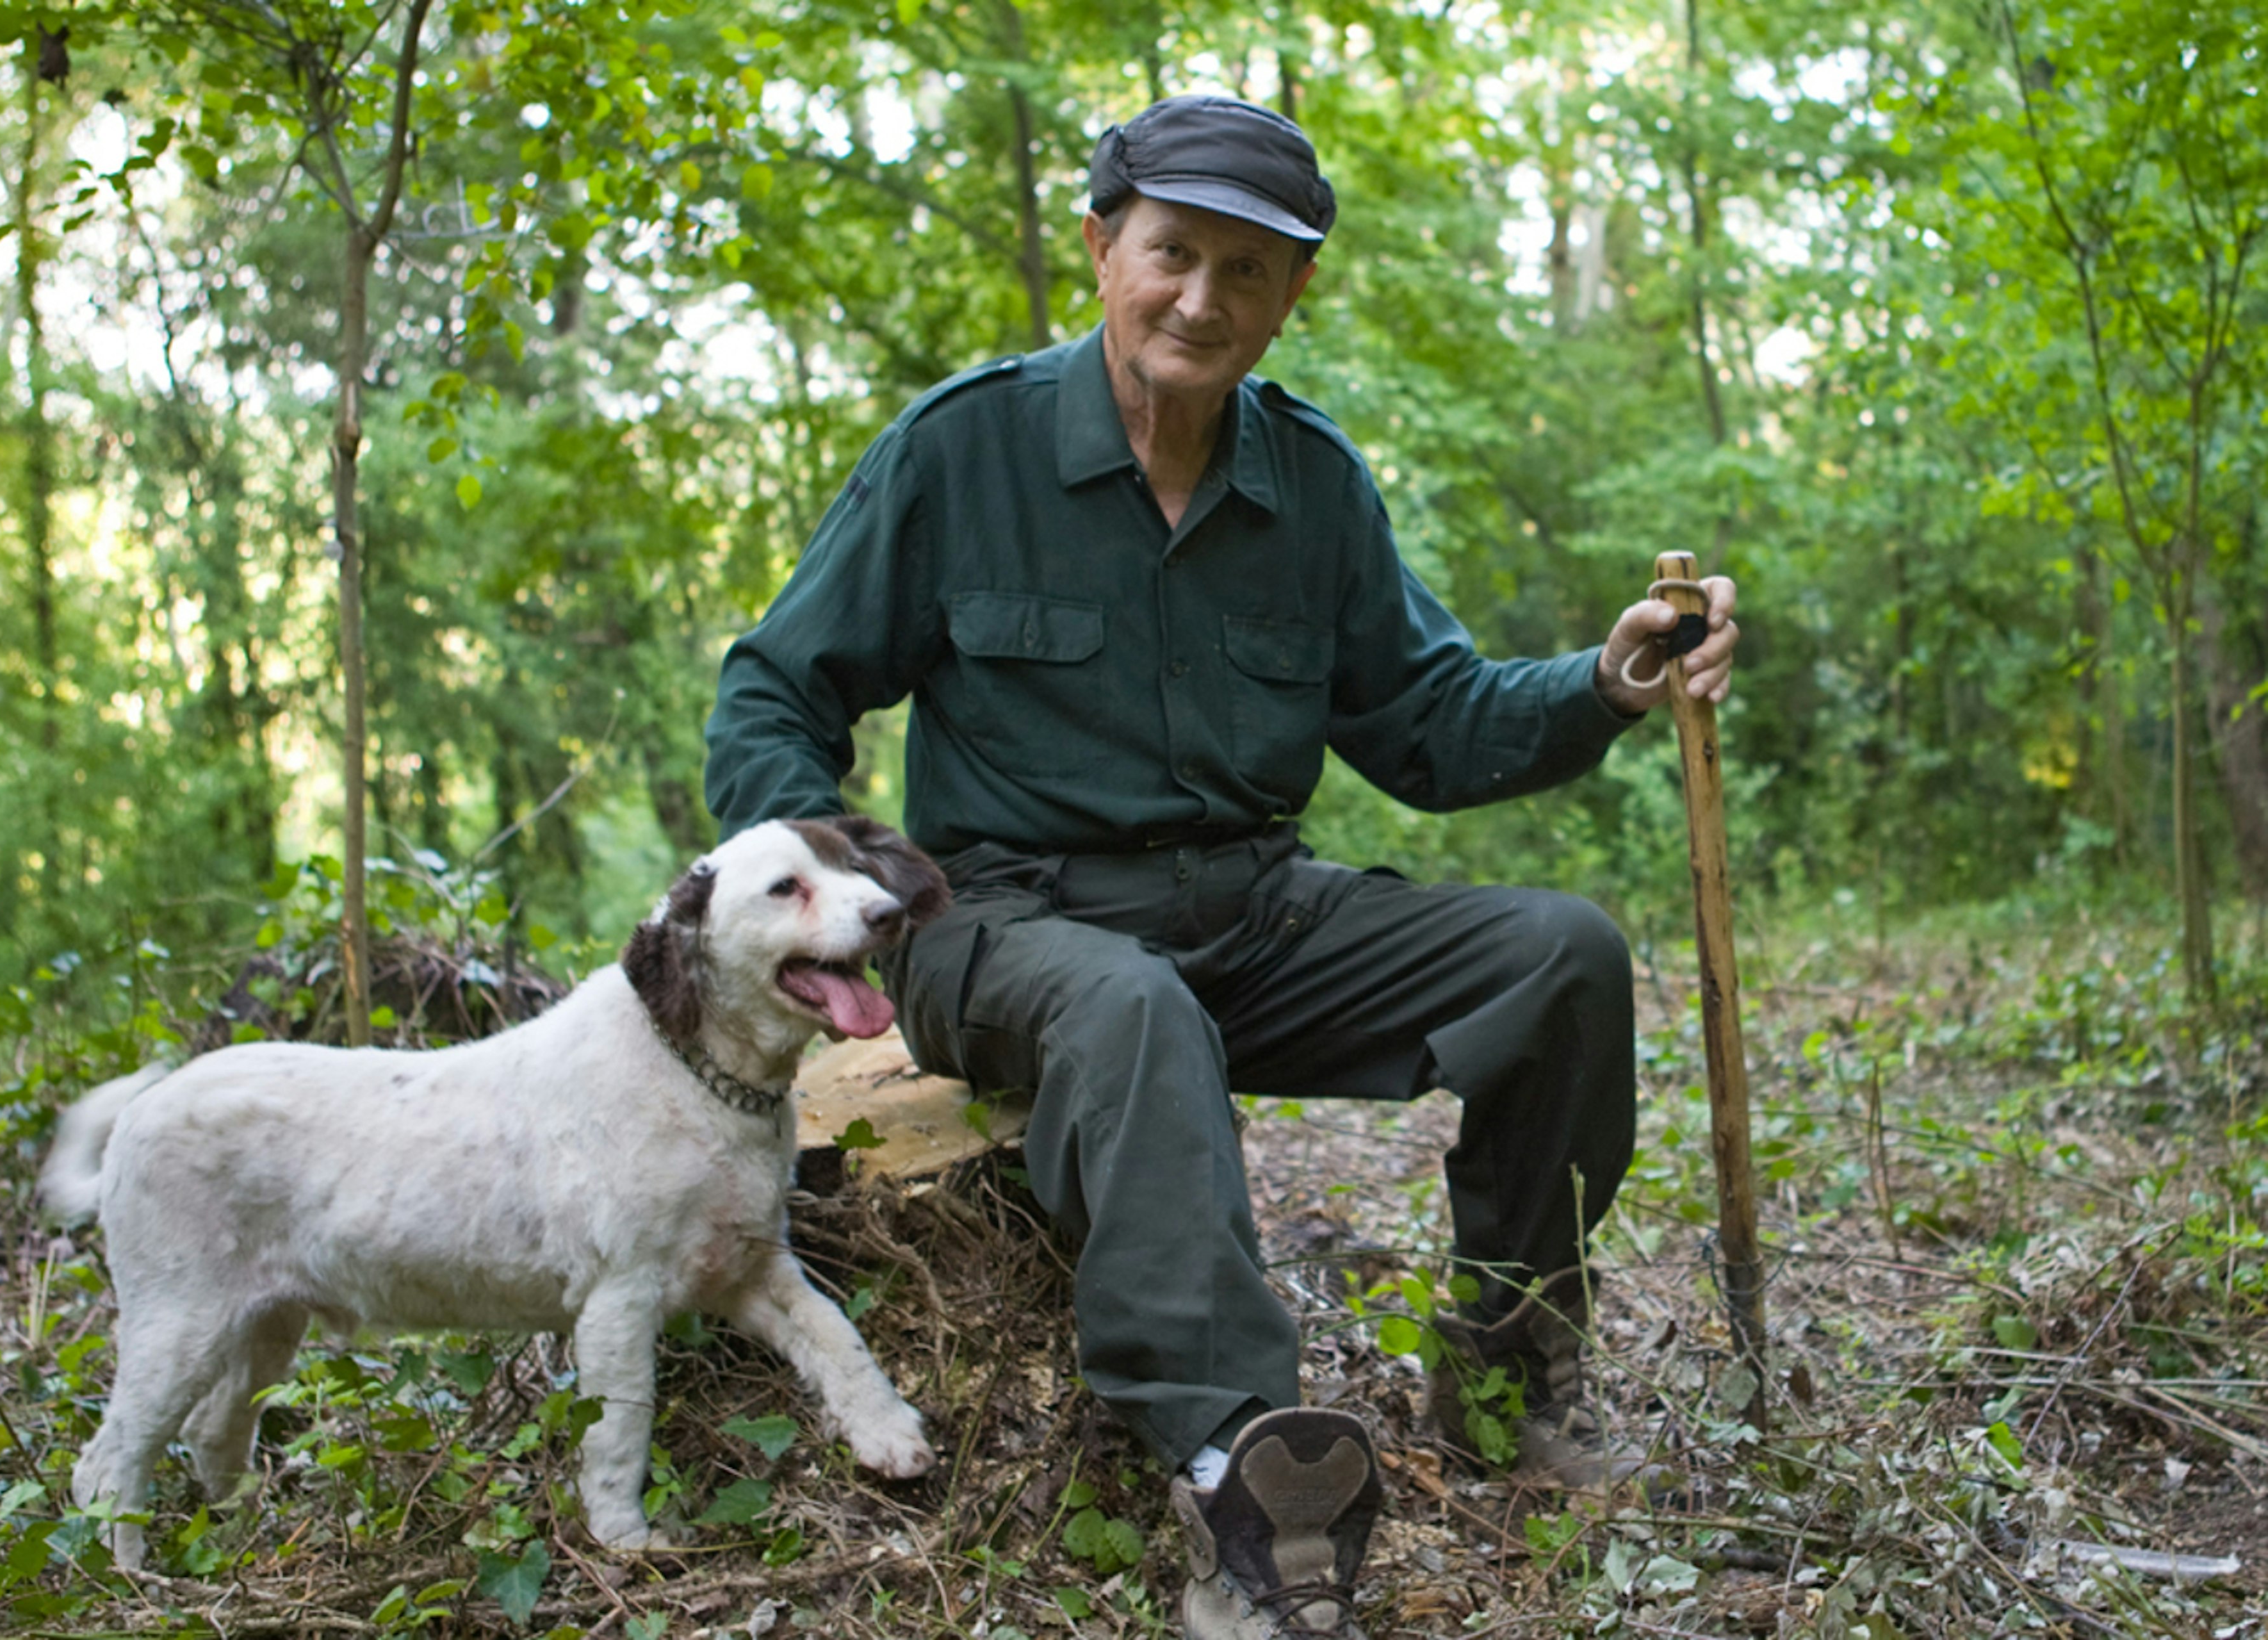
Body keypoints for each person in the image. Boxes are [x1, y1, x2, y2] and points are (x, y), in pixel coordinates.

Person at [703, 94, 1738, 1640]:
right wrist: (840, 902)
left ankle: (1512, 1369)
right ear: (1103, 248)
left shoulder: (1310, 483)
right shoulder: (961, 449)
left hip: (1253, 908)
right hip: (1002, 920)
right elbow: (776, 688)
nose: (1202, 299)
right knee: (1129, 1008)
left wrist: (1600, 680)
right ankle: (1241, 1472)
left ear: (1290, 294)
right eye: (1172, 254)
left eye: (1246, 272)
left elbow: (1431, 722)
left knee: (1562, 952)